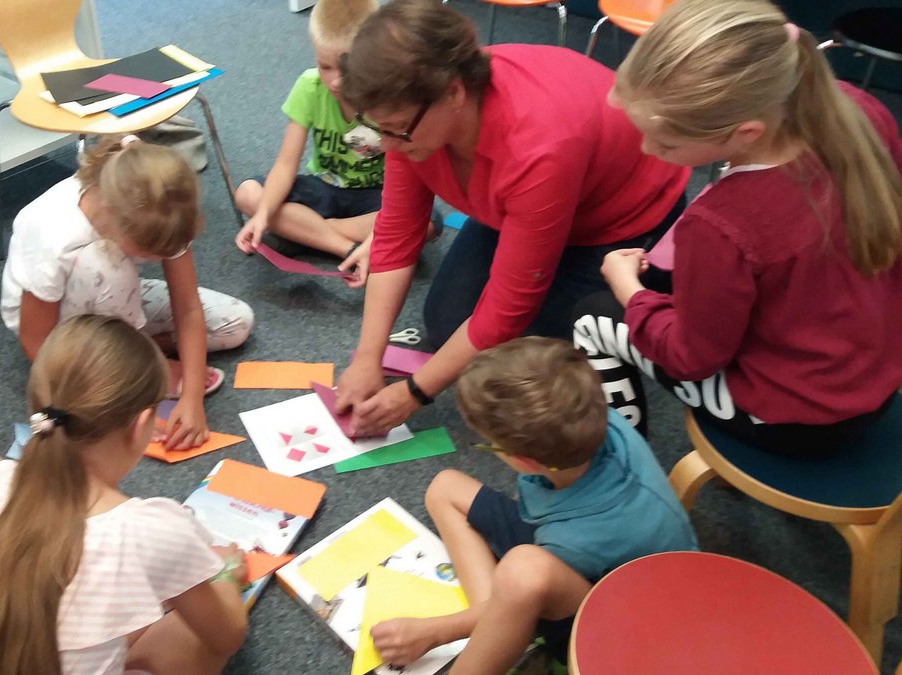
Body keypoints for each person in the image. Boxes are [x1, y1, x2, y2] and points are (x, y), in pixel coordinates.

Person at [332, 0, 690, 437]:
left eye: (396, 129)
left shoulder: (539, 146)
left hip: (624, 222)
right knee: (449, 325)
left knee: (539, 365)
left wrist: (413, 394)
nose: (386, 144)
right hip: (518, 205)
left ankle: (644, 308)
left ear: (454, 93)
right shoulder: (410, 125)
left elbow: (508, 306)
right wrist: (367, 357)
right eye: (378, 128)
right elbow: (397, 232)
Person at [572, 0, 902, 457]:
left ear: (746, 132)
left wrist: (628, 287)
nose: (648, 149)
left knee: (592, 316)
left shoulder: (724, 223)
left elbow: (691, 360)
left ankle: (620, 471)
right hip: (874, 376)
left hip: (797, 417)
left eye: (666, 141)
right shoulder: (857, 109)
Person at [0, 315, 248, 675]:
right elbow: (227, 636)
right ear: (142, 426)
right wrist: (221, 574)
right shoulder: (149, 531)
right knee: (193, 636)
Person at [367, 338, 697, 673]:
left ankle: (500, 629)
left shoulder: (577, 541)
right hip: (594, 547)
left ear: (523, 462)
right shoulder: (593, 417)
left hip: (625, 621)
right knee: (445, 487)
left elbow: (537, 579)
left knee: (522, 573)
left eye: (488, 445)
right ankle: (500, 625)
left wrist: (435, 631)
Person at [0, 135, 255, 451]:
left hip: (114, 295)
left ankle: (137, 353)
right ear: (111, 214)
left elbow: (188, 307)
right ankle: (132, 360)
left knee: (236, 323)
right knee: (107, 266)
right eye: (150, 252)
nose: (160, 258)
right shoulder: (53, 234)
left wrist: (192, 396)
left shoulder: (165, 206)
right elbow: (34, 341)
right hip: (52, 320)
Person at [234, 0, 392, 265]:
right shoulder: (309, 87)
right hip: (325, 187)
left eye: (347, 68)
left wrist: (285, 221)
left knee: (427, 223)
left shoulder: (388, 94)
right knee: (247, 193)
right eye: (325, 67)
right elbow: (285, 165)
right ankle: (346, 248)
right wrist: (262, 216)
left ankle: (302, 233)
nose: (336, 81)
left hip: (375, 195)